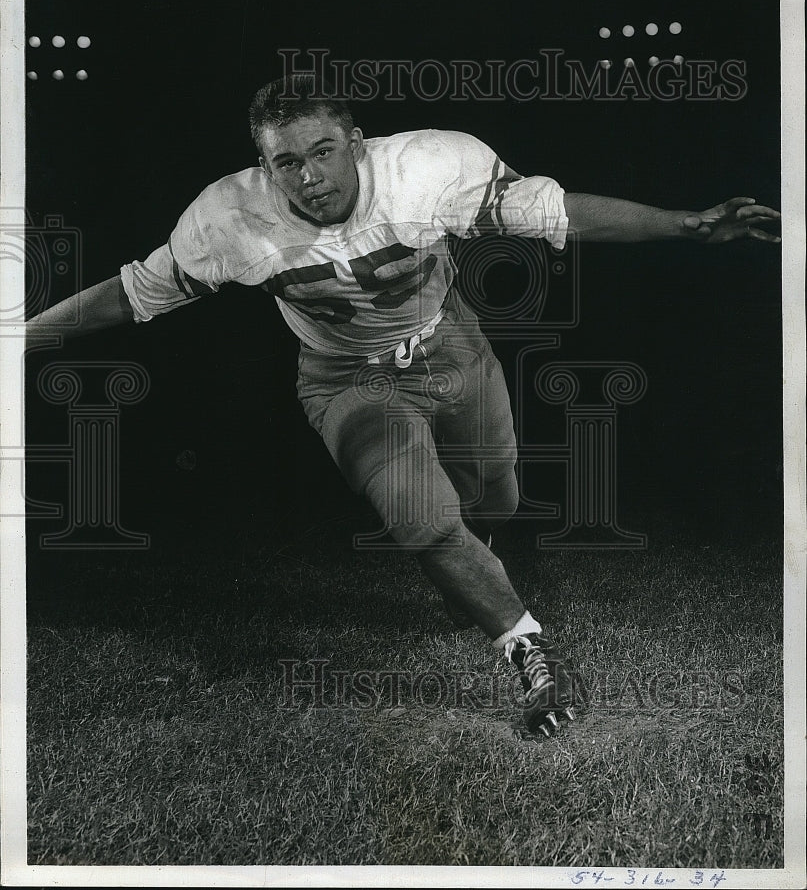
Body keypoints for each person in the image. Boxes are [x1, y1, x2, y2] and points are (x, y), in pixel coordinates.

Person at [27, 73, 781, 738]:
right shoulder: (225, 218)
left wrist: (684, 224)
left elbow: (556, 214)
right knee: (420, 517)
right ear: (265, 165)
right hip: (344, 377)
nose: (309, 176)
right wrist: (19, 338)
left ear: (355, 143)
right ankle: (530, 653)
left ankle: (475, 559)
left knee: (498, 496)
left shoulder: (423, 169)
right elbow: (132, 295)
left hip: (449, 346)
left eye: (322, 151)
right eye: (286, 160)